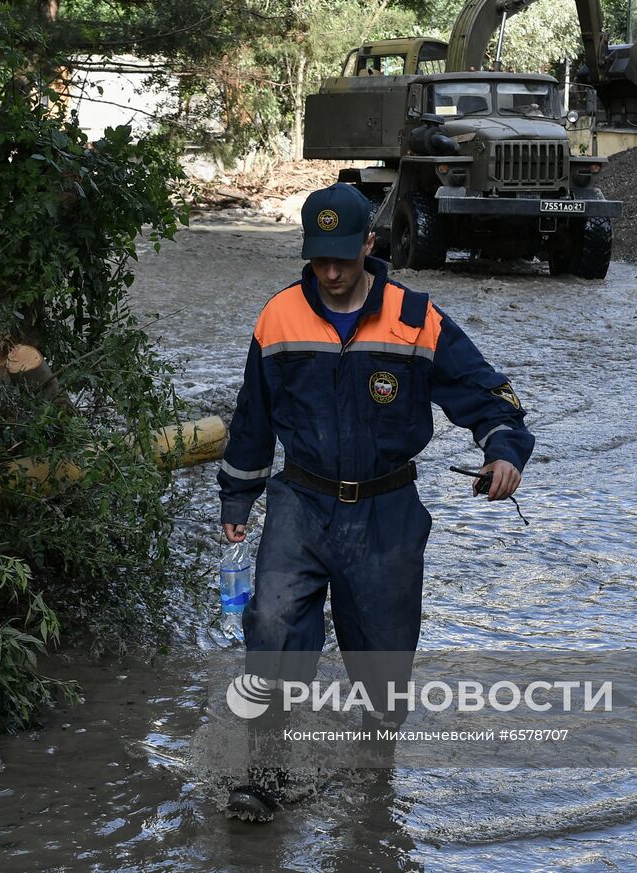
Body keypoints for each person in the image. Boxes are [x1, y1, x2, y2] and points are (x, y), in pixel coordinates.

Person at [217, 183, 534, 820]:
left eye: (342, 256)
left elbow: (487, 393)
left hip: (386, 512)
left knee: (384, 659)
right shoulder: (278, 316)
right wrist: (238, 499)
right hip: (300, 503)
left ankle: (374, 778)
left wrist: (503, 450)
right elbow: (252, 418)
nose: (330, 272)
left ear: (370, 243)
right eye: (318, 258)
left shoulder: (416, 318)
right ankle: (265, 774)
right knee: (273, 626)